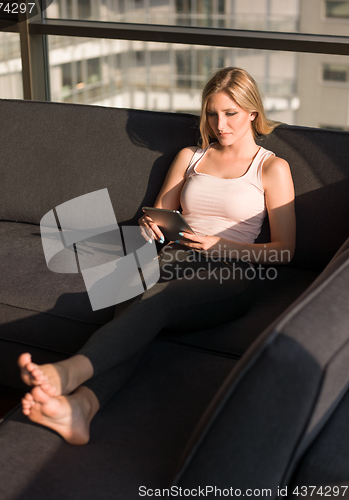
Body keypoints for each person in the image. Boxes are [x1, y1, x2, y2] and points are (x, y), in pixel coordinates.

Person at [18, 67, 296, 445]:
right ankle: (81, 407)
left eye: (231, 113)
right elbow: (159, 215)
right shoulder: (190, 157)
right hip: (173, 257)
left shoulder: (272, 168)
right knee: (128, 299)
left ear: (251, 112)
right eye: (213, 114)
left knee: (156, 301)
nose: (221, 124)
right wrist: (153, 227)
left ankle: (68, 374)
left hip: (232, 269)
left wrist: (221, 245)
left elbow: (285, 251)